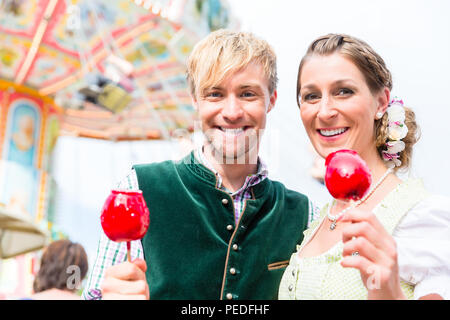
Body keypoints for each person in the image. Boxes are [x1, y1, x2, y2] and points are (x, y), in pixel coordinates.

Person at [83, 29, 318, 300]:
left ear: (271, 100)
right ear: (195, 100)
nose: (231, 112)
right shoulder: (137, 190)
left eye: (247, 94)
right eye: (215, 94)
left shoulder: (305, 216)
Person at [278, 33, 450, 300]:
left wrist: (388, 292)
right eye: (311, 96)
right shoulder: (319, 219)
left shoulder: (422, 220)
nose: (324, 111)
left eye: (343, 91)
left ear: (381, 103)